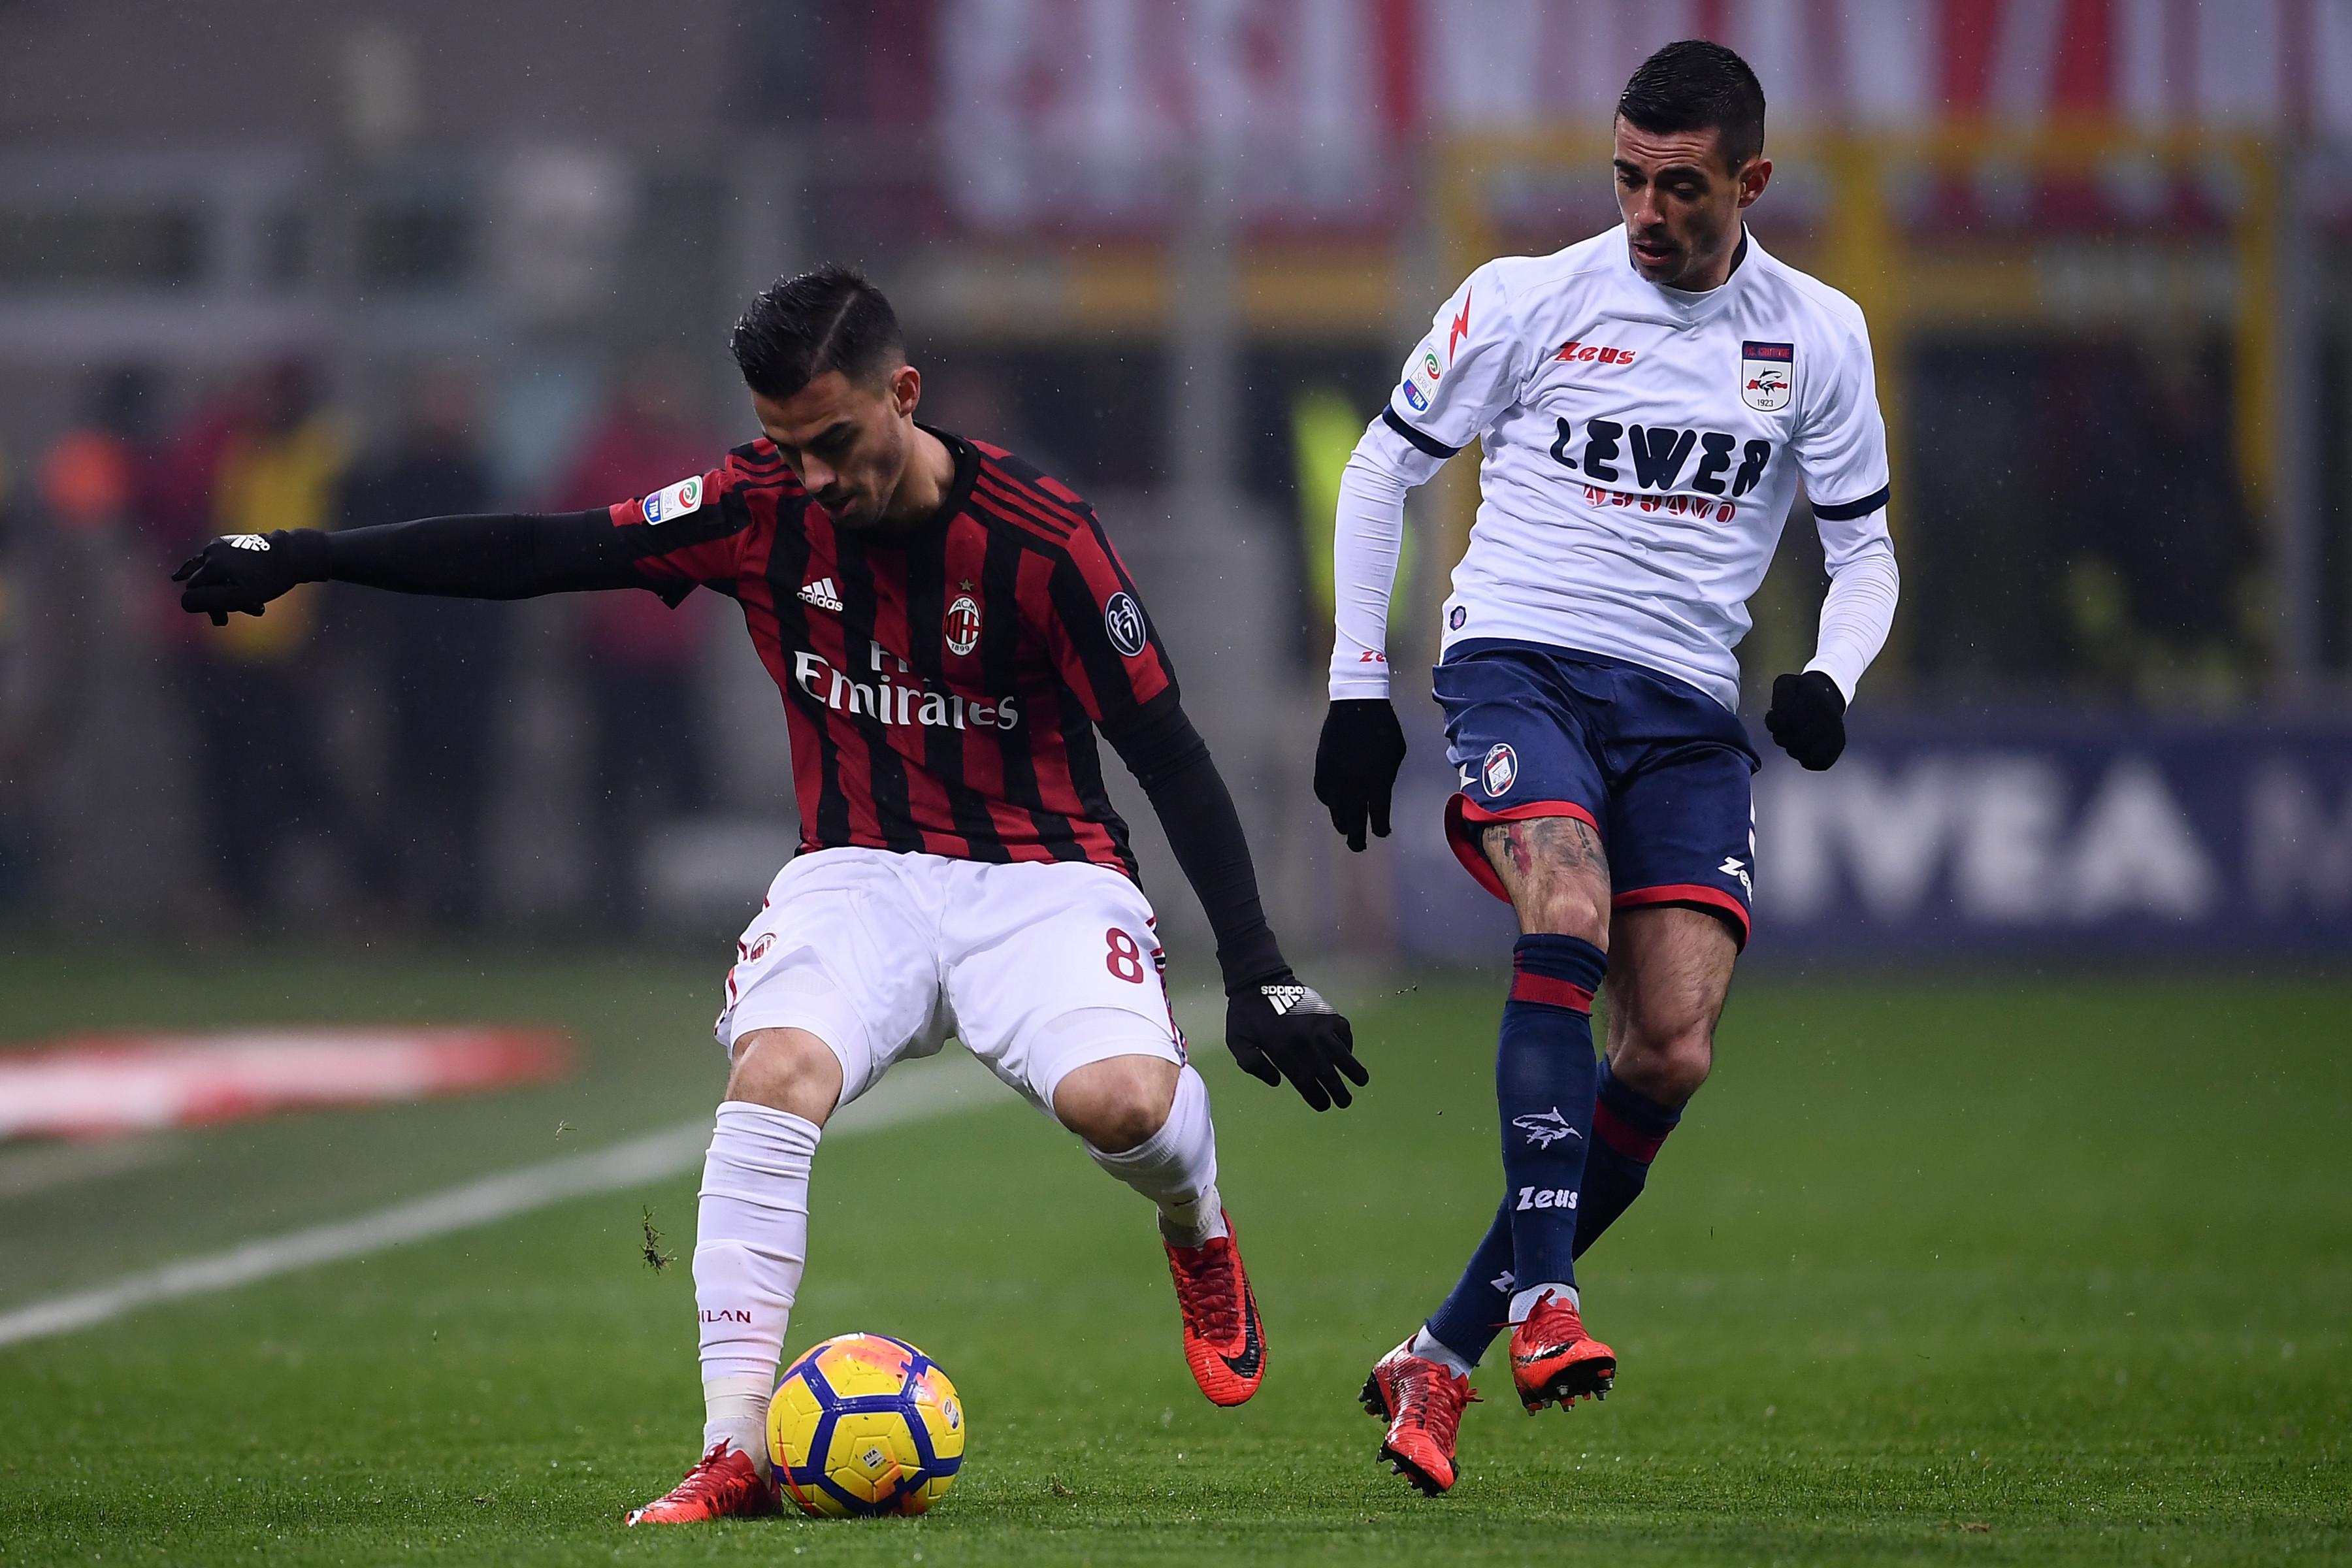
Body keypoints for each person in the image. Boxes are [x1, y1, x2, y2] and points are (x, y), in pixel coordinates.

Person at [172, 265, 1368, 1524]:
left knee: (1126, 1105)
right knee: (773, 1075)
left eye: (835, 443)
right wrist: (303, 554)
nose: (810, 478)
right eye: (784, 447)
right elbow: (545, 549)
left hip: (1045, 882)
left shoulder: (1043, 535)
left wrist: (1258, 966)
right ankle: (734, 1448)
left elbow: (1168, 749)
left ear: (904, 395)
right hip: (856, 874)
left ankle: (1197, 1221)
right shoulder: (751, 505)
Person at [1311, 41, 1899, 1495]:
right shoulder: (1525, 299)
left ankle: (1437, 1356)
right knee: (1563, 911)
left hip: (1688, 714)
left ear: (1751, 182)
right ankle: (1548, 1299)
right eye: (1627, 176)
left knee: (1673, 1045)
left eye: (1680, 184)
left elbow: (1866, 550)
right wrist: (1358, 690)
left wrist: (1830, 673)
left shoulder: (1818, 335)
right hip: (1522, 660)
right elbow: (1383, 470)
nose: (1645, 208)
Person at [336, 371, 505, 928]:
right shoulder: (407, 480)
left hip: (457, 665)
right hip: (418, 662)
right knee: (415, 786)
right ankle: (409, 898)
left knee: (457, 791)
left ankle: (455, 903)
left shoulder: (471, 481)